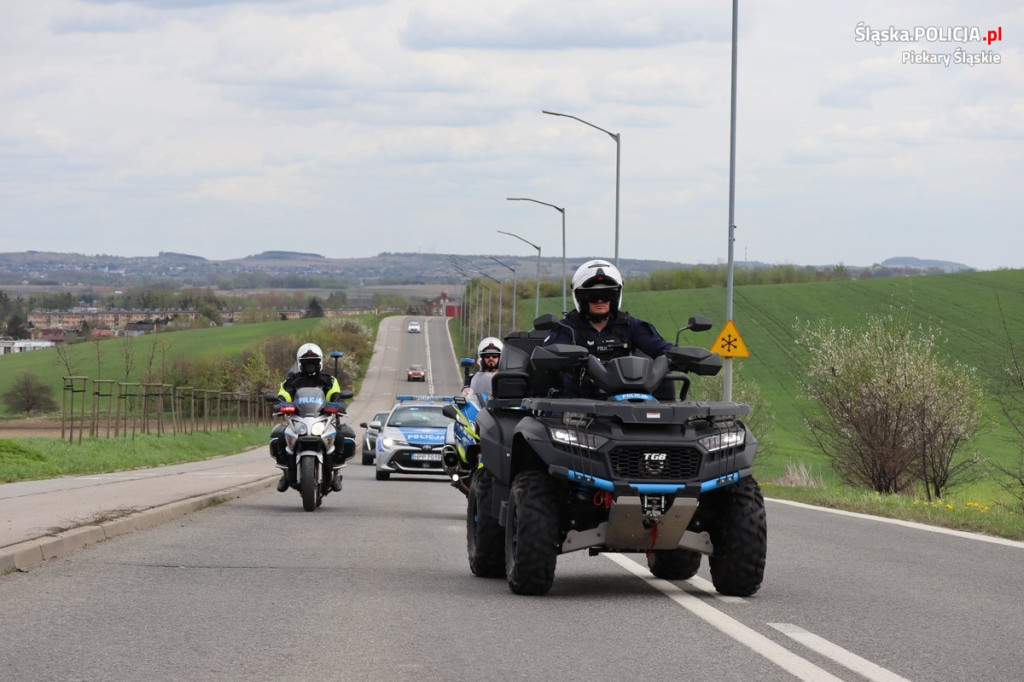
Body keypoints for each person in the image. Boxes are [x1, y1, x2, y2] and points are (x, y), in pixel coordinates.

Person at [542, 259, 672, 397]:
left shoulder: (630, 325)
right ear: (581, 298)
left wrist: (678, 355)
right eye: (593, 296)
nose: (600, 301)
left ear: (615, 297)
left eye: (606, 295)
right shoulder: (567, 328)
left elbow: (660, 347)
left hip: (627, 396)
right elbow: (550, 353)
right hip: (576, 401)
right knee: (554, 416)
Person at [270, 343, 355, 492]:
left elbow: (336, 396)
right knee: (280, 435)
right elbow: (282, 396)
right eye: (307, 363)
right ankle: (286, 472)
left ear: (319, 363)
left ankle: (335, 473)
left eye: (313, 363)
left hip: (321, 419)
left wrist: (339, 403)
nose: (310, 366)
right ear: (300, 364)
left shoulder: (329, 380)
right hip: (299, 420)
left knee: (340, 436)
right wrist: (279, 404)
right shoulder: (291, 381)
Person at [461, 337, 503, 402]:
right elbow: (466, 392)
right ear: (482, 359)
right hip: (478, 410)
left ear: (500, 358)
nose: (491, 358)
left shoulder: (505, 379)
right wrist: (467, 393)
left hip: (500, 410)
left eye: (495, 356)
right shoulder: (472, 378)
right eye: (487, 356)